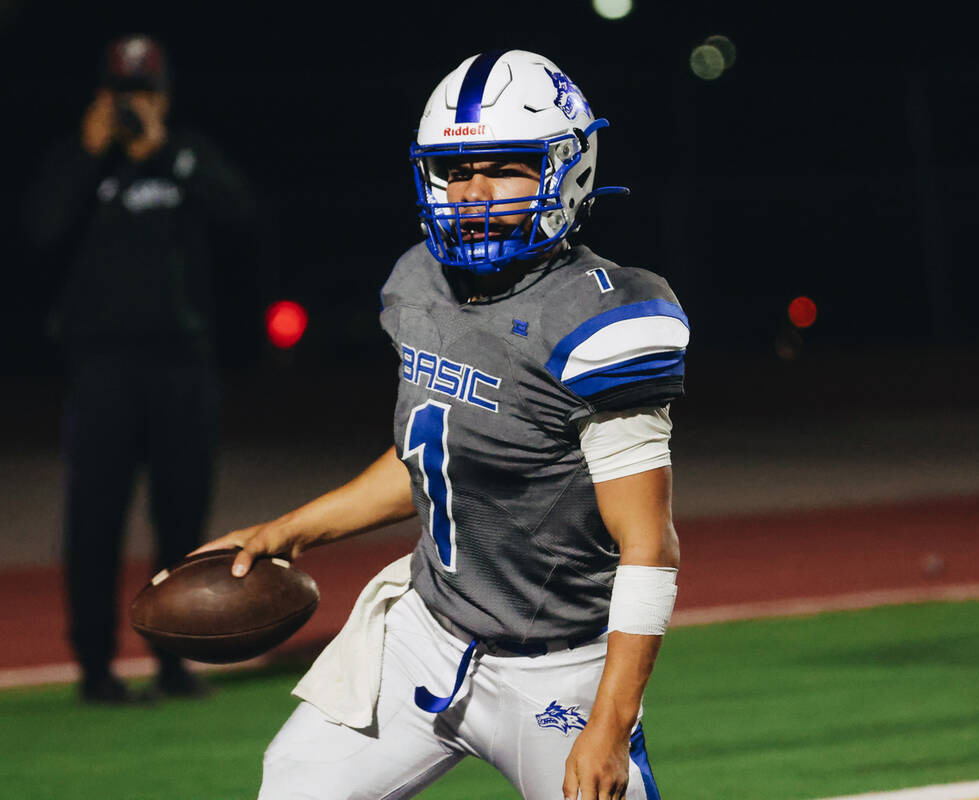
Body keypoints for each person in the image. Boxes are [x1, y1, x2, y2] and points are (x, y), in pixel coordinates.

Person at [196, 49, 688, 799]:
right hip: (426, 637)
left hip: (557, 670)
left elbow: (648, 546)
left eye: (504, 167)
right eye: (456, 172)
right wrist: (288, 529)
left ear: (569, 170)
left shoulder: (601, 318)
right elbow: (435, 453)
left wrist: (609, 726)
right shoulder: (419, 284)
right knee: (294, 785)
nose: (475, 193)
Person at [23, 34, 255, 704]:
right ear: (103, 95)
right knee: (93, 521)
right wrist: (90, 153)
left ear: (165, 95)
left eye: (146, 92)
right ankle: (95, 664)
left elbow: (239, 216)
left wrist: (166, 152)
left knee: (182, 521)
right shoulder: (77, 162)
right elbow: (39, 233)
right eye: (124, 93)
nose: (134, 105)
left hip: (183, 368)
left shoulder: (186, 156)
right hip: (101, 370)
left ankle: (175, 659)